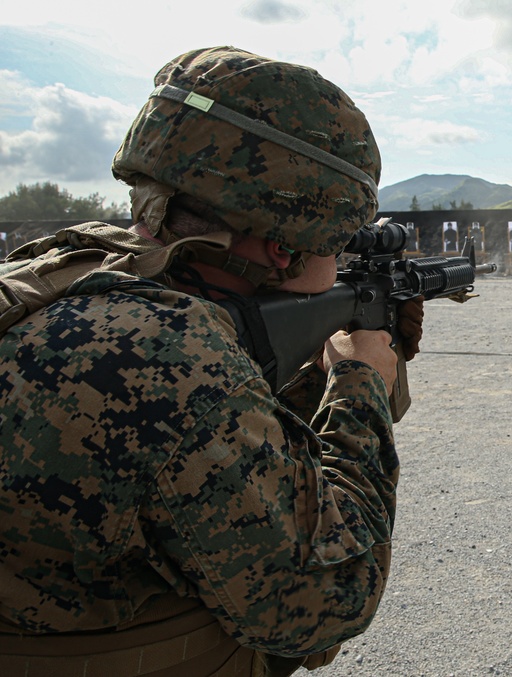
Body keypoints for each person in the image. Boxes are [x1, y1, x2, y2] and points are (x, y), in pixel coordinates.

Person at [0, 46, 423, 676]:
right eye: (336, 242)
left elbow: (191, 455)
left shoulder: (51, 277)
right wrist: (361, 386)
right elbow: (329, 598)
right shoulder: (168, 356)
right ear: (284, 245)